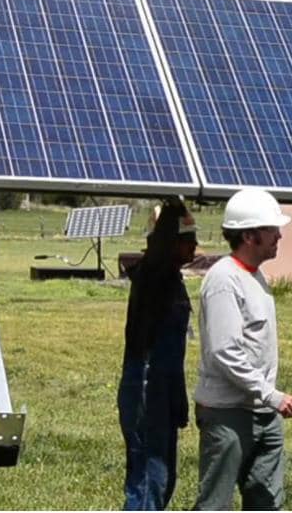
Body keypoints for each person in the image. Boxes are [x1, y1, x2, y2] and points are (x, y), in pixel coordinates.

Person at [192, 188, 292, 510]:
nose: (279, 235)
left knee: (267, 501)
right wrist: (271, 395)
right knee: (216, 504)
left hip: (263, 414)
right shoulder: (223, 281)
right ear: (250, 235)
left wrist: (267, 401)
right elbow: (225, 352)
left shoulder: (255, 276)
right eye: (272, 229)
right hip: (229, 413)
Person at [118, 199, 198, 510]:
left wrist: (177, 400)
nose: (195, 247)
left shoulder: (171, 278)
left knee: (162, 480)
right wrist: (171, 209)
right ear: (169, 241)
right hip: (145, 389)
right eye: (187, 240)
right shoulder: (153, 277)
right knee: (149, 482)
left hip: (162, 388)